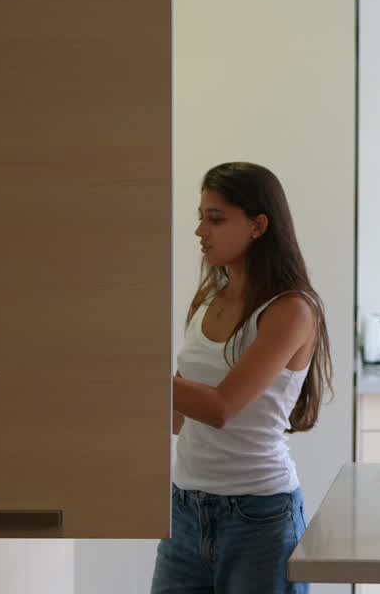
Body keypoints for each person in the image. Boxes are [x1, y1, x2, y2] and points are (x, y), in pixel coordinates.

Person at [152, 162, 332, 594]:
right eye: (201, 218)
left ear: (258, 225)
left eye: (215, 219)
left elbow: (221, 409)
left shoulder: (292, 310)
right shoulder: (207, 299)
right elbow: (179, 419)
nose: (200, 231)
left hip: (260, 518)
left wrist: (134, 376)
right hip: (184, 509)